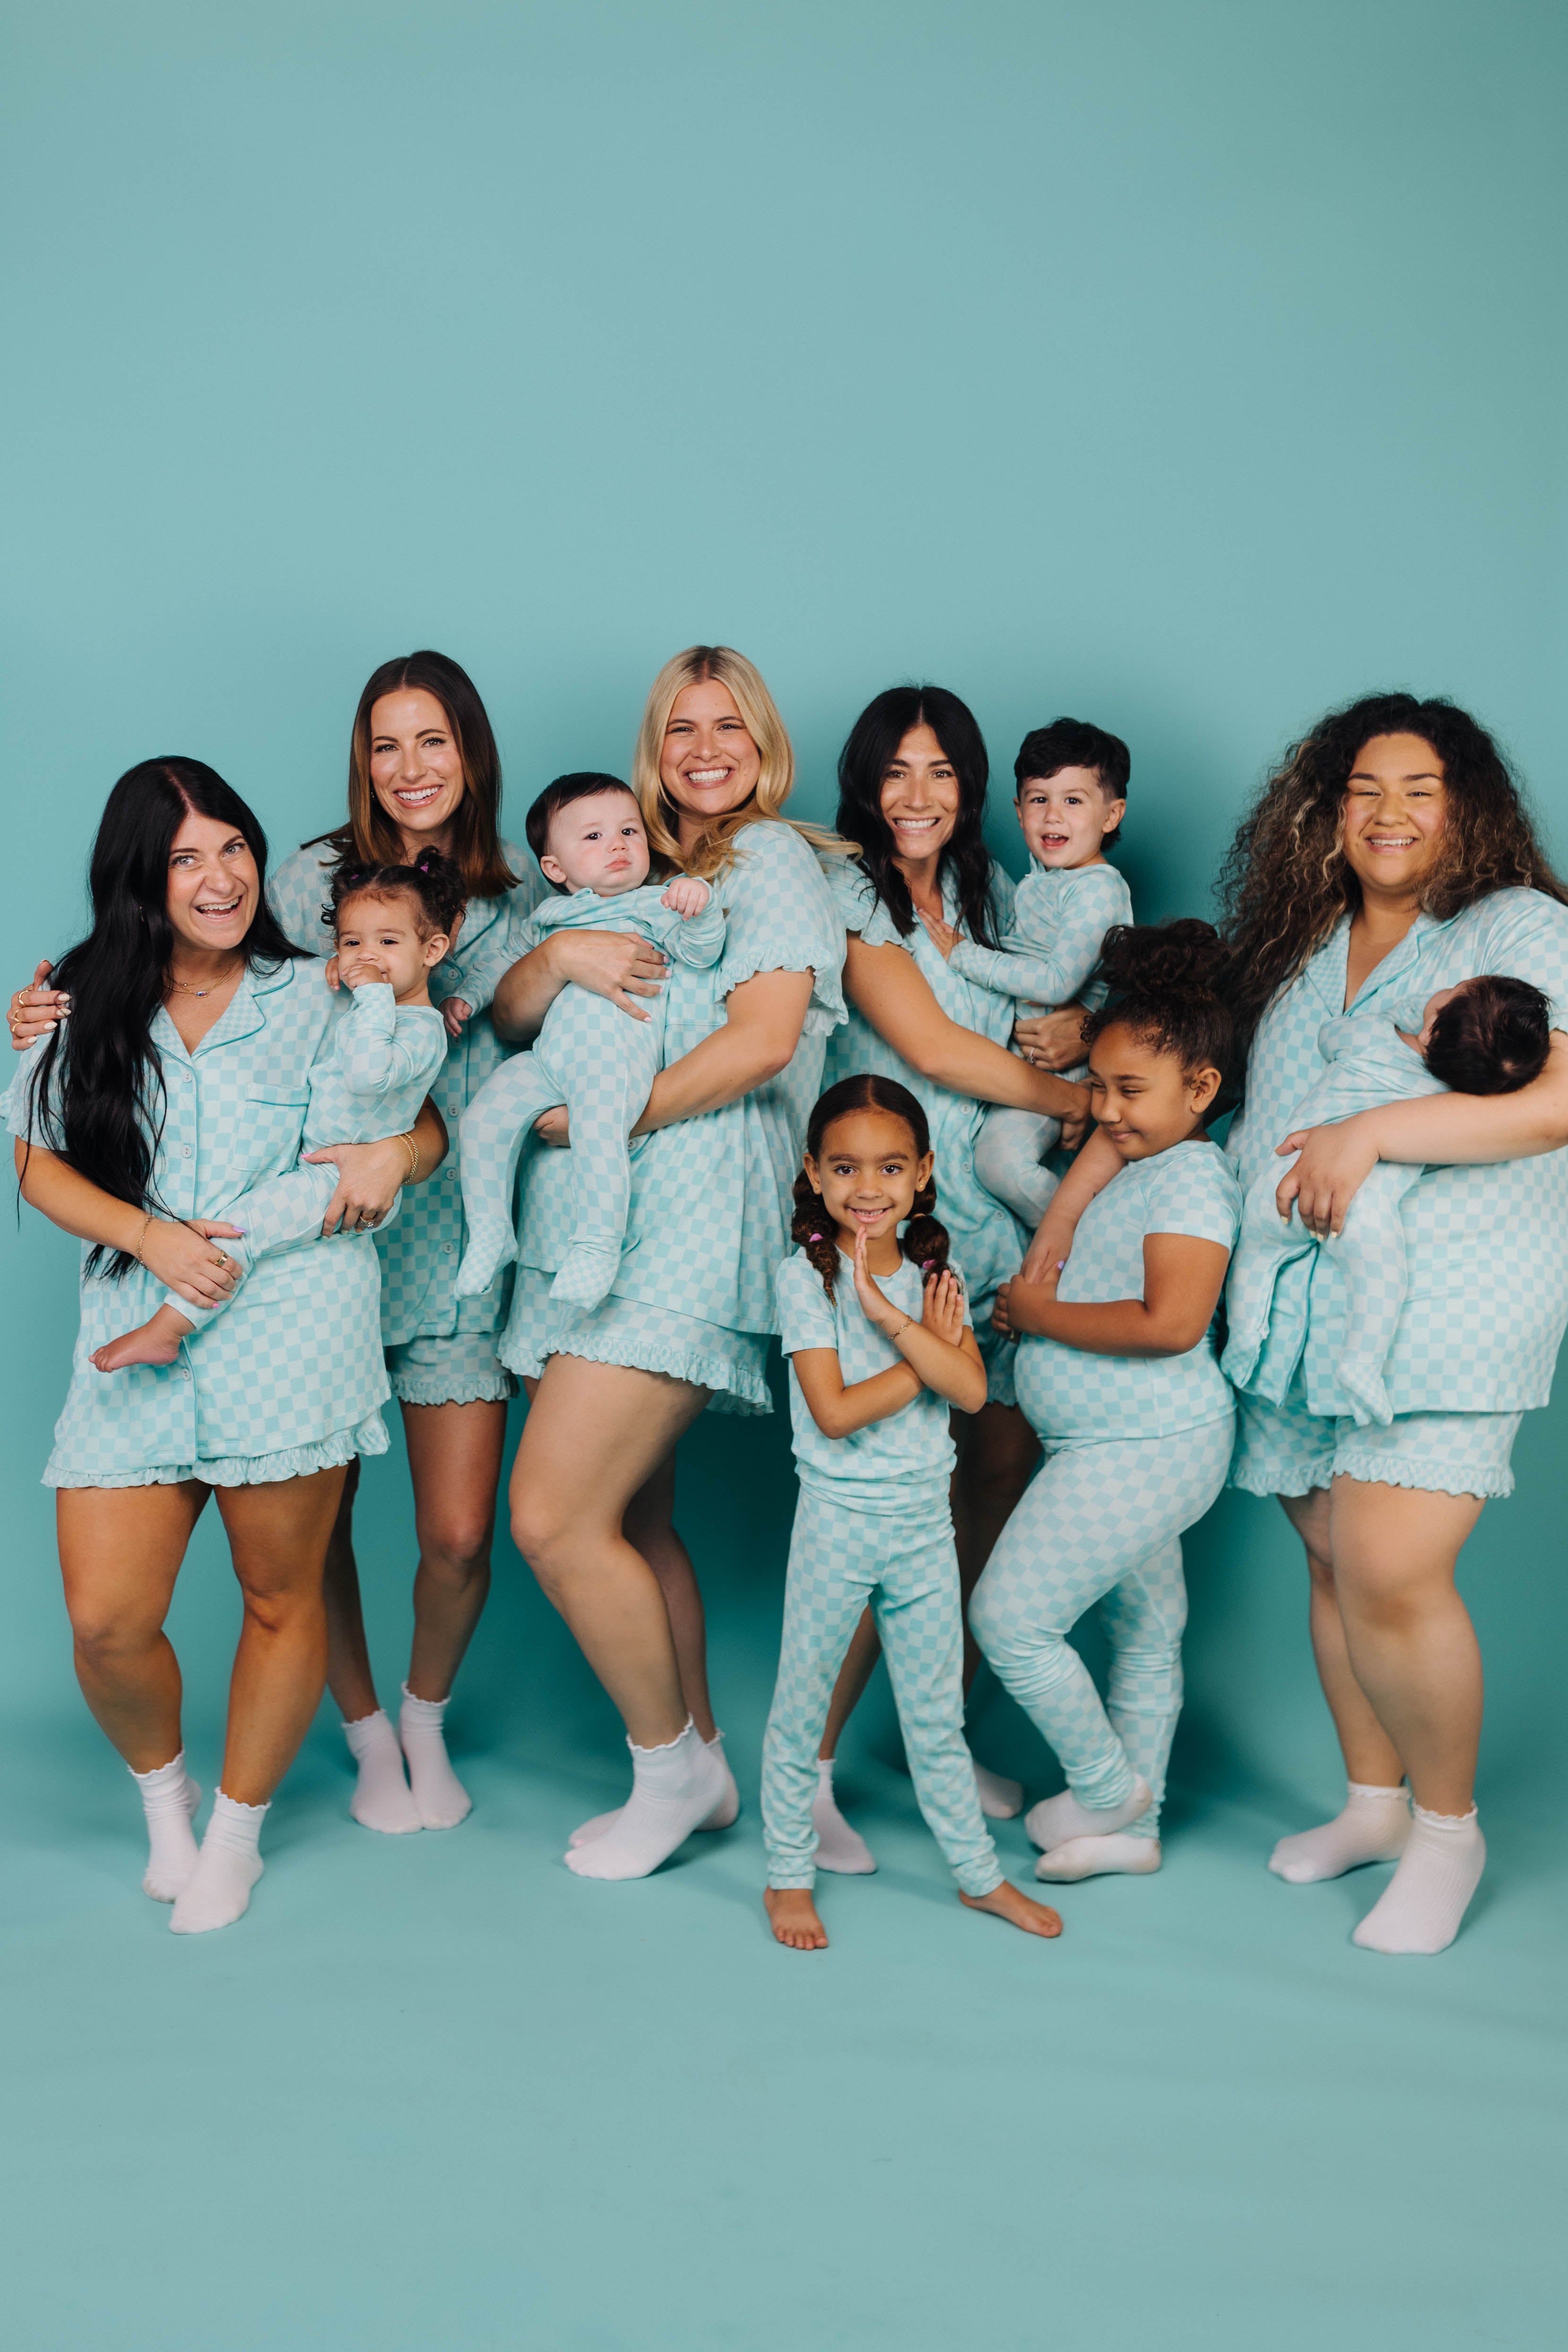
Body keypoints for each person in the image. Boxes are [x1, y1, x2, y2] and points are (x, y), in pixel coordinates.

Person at [6, 760, 441, 1932]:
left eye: (236, 848)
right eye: (188, 857)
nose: (220, 877)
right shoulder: (77, 998)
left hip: (295, 1320)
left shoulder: (323, 989)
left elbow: (415, 1116)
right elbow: (37, 1159)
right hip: (134, 1323)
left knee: (279, 1592)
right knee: (106, 1622)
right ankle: (168, 1805)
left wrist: (400, 1156)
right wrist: (149, 1237)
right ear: (140, 876)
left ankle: (238, 1838)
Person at [490, 645, 847, 1881]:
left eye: (728, 727)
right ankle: (698, 1763)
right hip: (587, 1227)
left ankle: (665, 1766)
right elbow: (510, 1005)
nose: (704, 749)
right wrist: (553, 964)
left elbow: (760, 1046)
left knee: (552, 1517)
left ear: (763, 743)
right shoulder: (642, 863)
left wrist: (601, 1117)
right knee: (633, 1517)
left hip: (688, 1220)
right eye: (680, 727)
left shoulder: (770, 861)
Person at [1220, 693, 1568, 1953]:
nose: (1387, 813)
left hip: (1450, 1296)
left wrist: (1369, 1133)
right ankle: (1371, 1803)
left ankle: (1445, 1830)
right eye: (1363, 788)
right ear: (1322, 809)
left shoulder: (1515, 925)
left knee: (1387, 1566)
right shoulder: (1305, 942)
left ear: (1465, 805)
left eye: (1418, 788)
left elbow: (1550, 1106)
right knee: (1325, 1556)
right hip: (1303, 1307)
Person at [809, 685, 1091, 1870]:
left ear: (969, 788)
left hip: (1005, 1234)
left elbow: (1054, 996)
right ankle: (807, 1769)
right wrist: (1080, 1100)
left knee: (990, 1493)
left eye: (941, 773)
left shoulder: (1000, 893)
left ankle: (938, 1741)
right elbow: (928, 1048)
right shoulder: (844, 892)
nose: (918, 796)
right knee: (874, 1512)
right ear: (865, 787)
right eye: (895, 773)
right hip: (895, 1227)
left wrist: (1079, 1028)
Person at [762, 1075, 1063, 1950]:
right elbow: (834, 1412)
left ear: (924, 1173)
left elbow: (970, 1390)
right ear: (815, 1175)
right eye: (846, 1167)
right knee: (800, 1705)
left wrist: (894, 1323)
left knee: (936, 1719)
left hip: (923, 1528)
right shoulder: (801, 1280)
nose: (867, 1187)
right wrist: (918, 1344)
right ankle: (787, 1876)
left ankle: (976, 1877)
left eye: (890, 1167)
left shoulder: (936, 1274)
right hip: (835, 1523)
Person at [974, 922, 1240, 1884]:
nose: (1108, 1111)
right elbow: (1100, 1166)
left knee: (1009, 1620)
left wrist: (1039, 1311)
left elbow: (1172, 1322)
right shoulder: (1139, 1159)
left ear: (1201, 1091)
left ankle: (1105, 1785)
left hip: (1148, 1442)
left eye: (1132, 1092)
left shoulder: (1195, 1181)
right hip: (1113, 1437)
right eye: (1102, 1086)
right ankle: (1137, 1827)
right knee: (1144, 1628)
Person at [88, 851, 457, 1371]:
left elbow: (367, 1074)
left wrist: (370, 991)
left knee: (239, 1230)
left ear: (433, 949)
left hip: (339, 1182)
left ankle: (165, 1329)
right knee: (245, 1229)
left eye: (388, 943)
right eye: (353, 943)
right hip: (316, 1165)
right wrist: (348, 973)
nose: (367, 957)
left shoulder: (420, 1027)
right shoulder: (369, 1003)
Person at [1223, 975, 1551, 1426]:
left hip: (1289, 1174)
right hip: (1360, 1208)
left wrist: (1413, 1016)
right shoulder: (1457, 1098)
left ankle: (1243, 1335)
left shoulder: (1372, 1038)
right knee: (1380, 1278)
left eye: (1458, 990)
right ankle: (1360, 1362)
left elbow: (1329, 1037)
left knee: (1256, 1256)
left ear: (1433, 1022)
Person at [455, 774, 724, 1311]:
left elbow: (702, 953)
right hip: (549, 1059)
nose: (618, 844)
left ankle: (597, 1244)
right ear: (555, 869)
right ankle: (489, 1231)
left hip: (615, 1059)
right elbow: (502, 963)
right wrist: (466, 996)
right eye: (593, 837)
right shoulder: (549, 916)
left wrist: (703, 904)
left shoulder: (657, 904)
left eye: (629, 830)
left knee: (599, 1135)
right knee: (482, 1119)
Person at [957, 718, 1133, 1225]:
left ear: (1111, 814)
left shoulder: (1098, 888)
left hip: (1061, 1062)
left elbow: (1057, 982)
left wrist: (964, 957)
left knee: (1002, 1165)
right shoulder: (1043, 880)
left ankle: (1084, 1239)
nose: (1053, 816)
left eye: (1073, 801)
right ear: (1018, 812)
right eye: (1038, 800)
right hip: (1027, 1058)